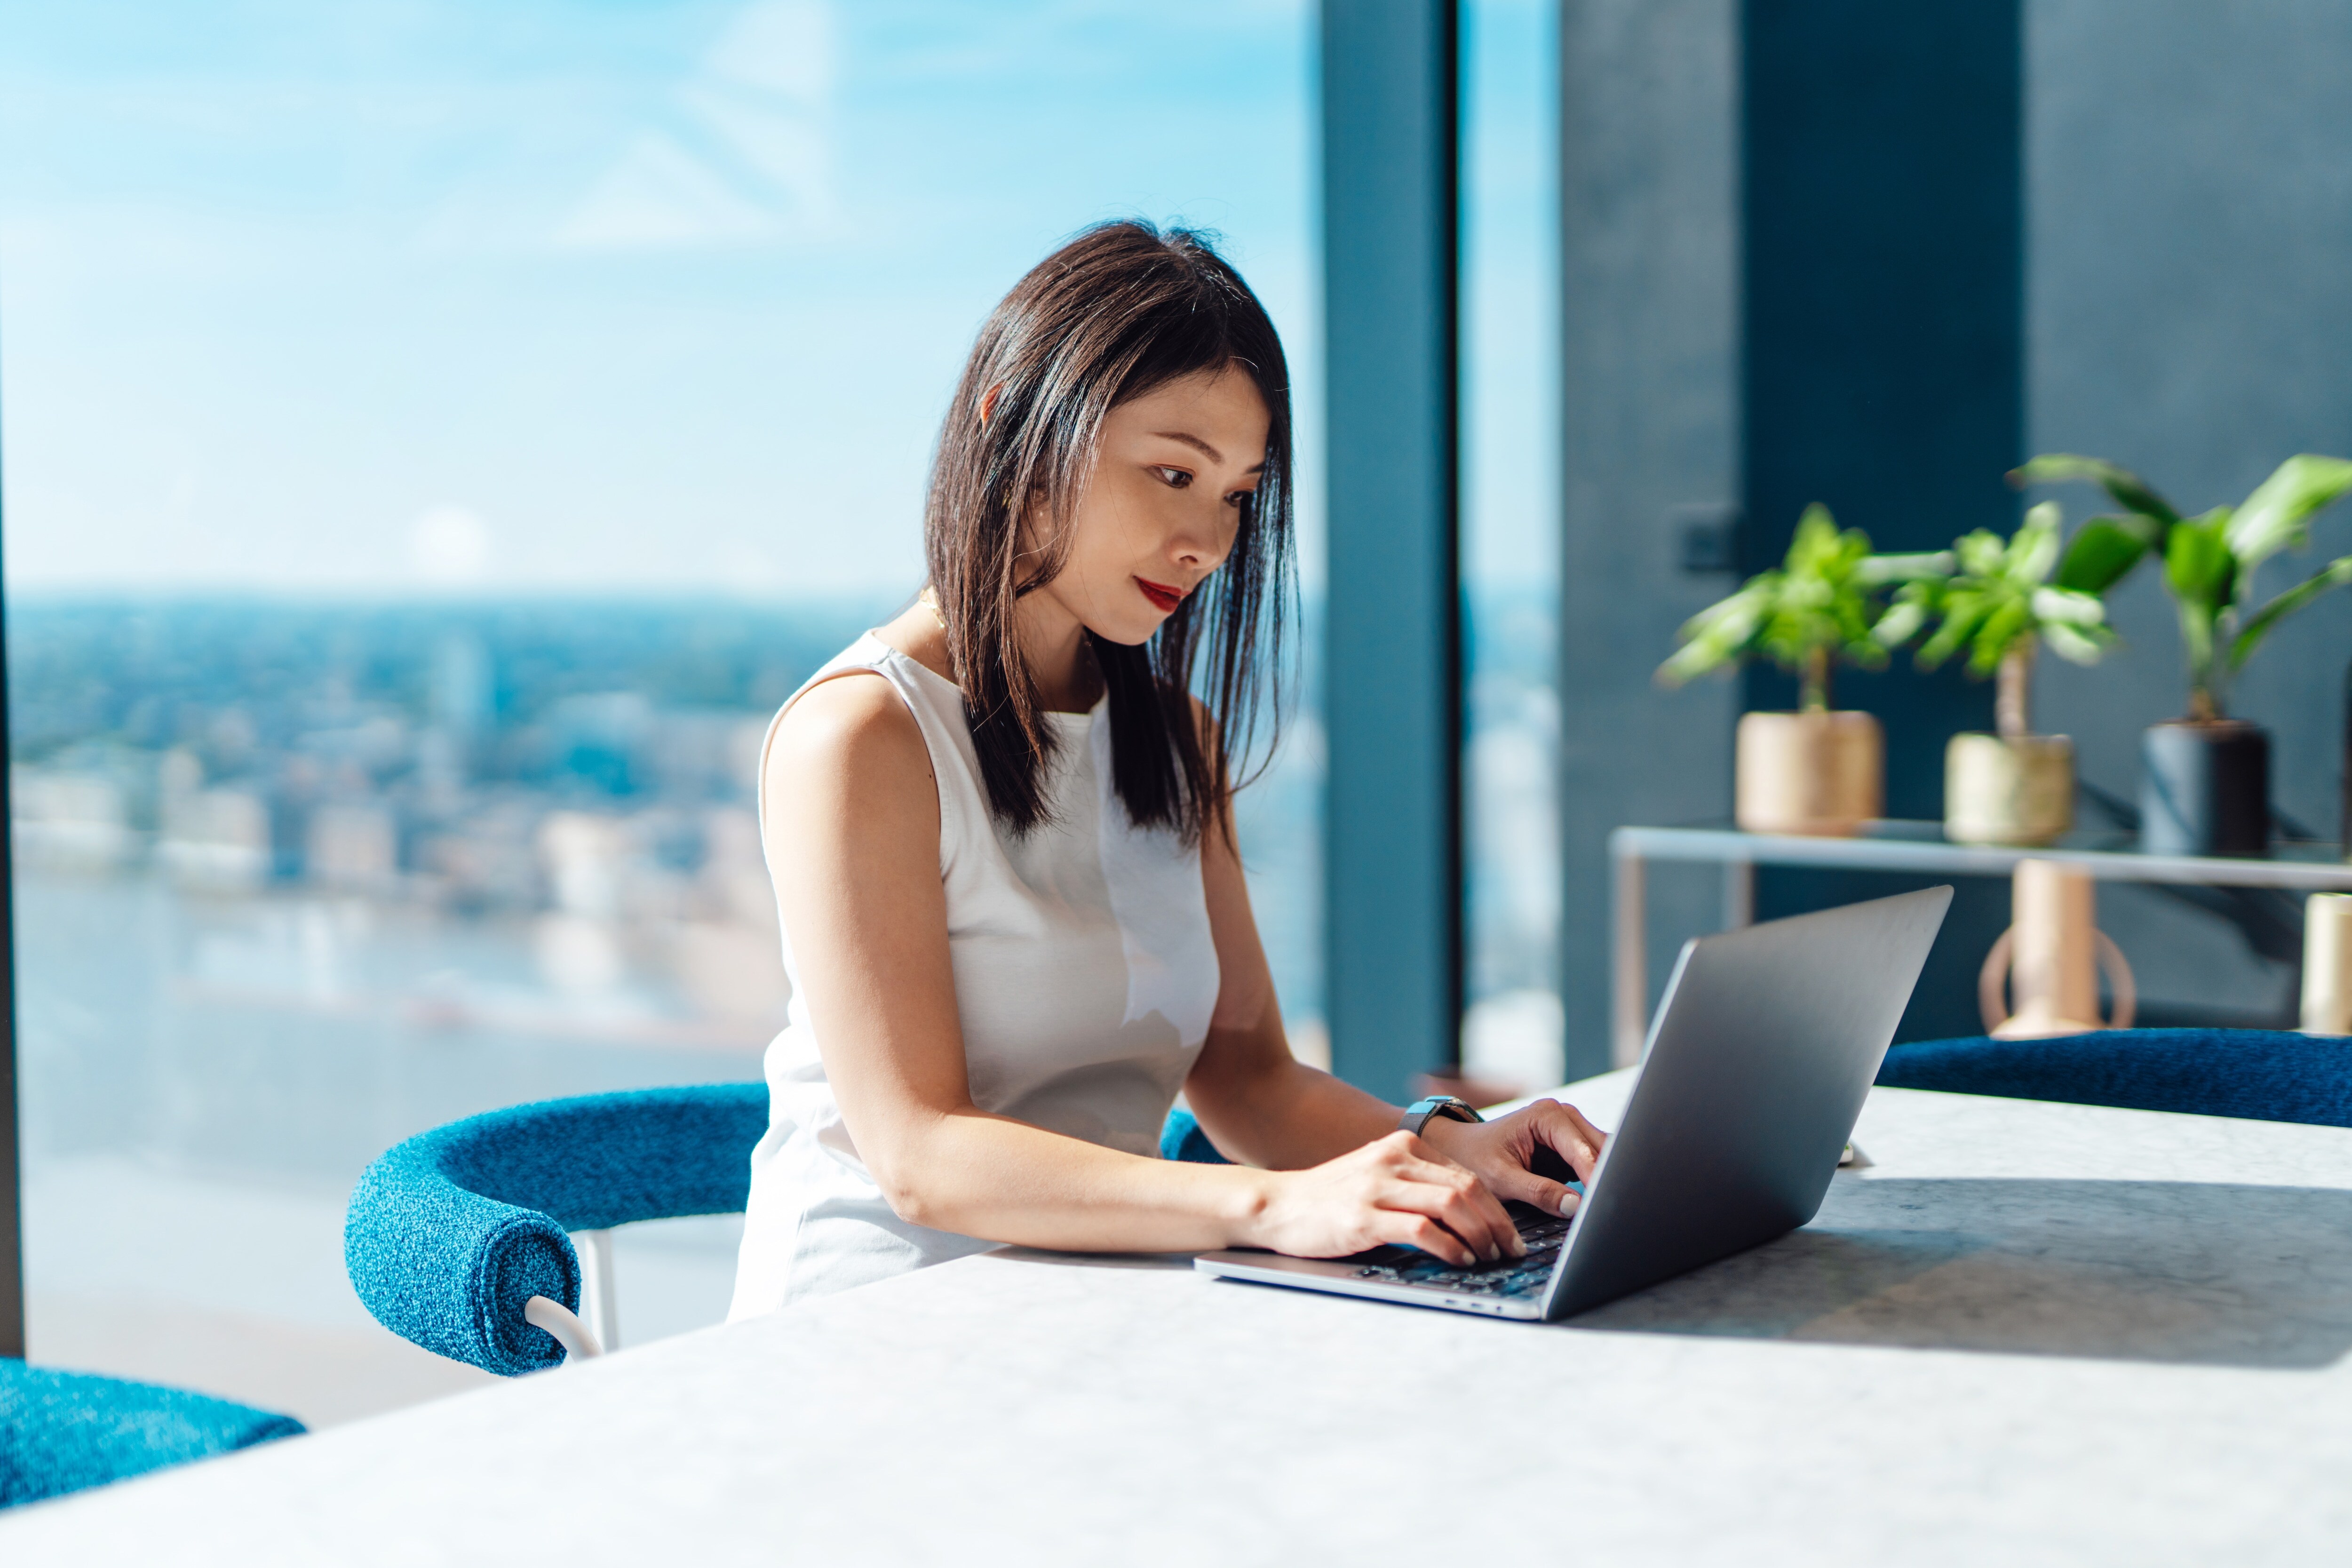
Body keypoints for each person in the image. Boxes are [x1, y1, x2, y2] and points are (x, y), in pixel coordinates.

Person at [727, 221, 1606, 1316]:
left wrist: (1446, 1147)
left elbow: (1248, 1075)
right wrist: (1267, 1206)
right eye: (1172, 471)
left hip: (1099, 1305)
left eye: (1237, 493)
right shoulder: (861, 735)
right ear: (1014, 427)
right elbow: (919, 1153)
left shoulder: (1173, 736)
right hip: (869, 1328)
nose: (1206, 540)